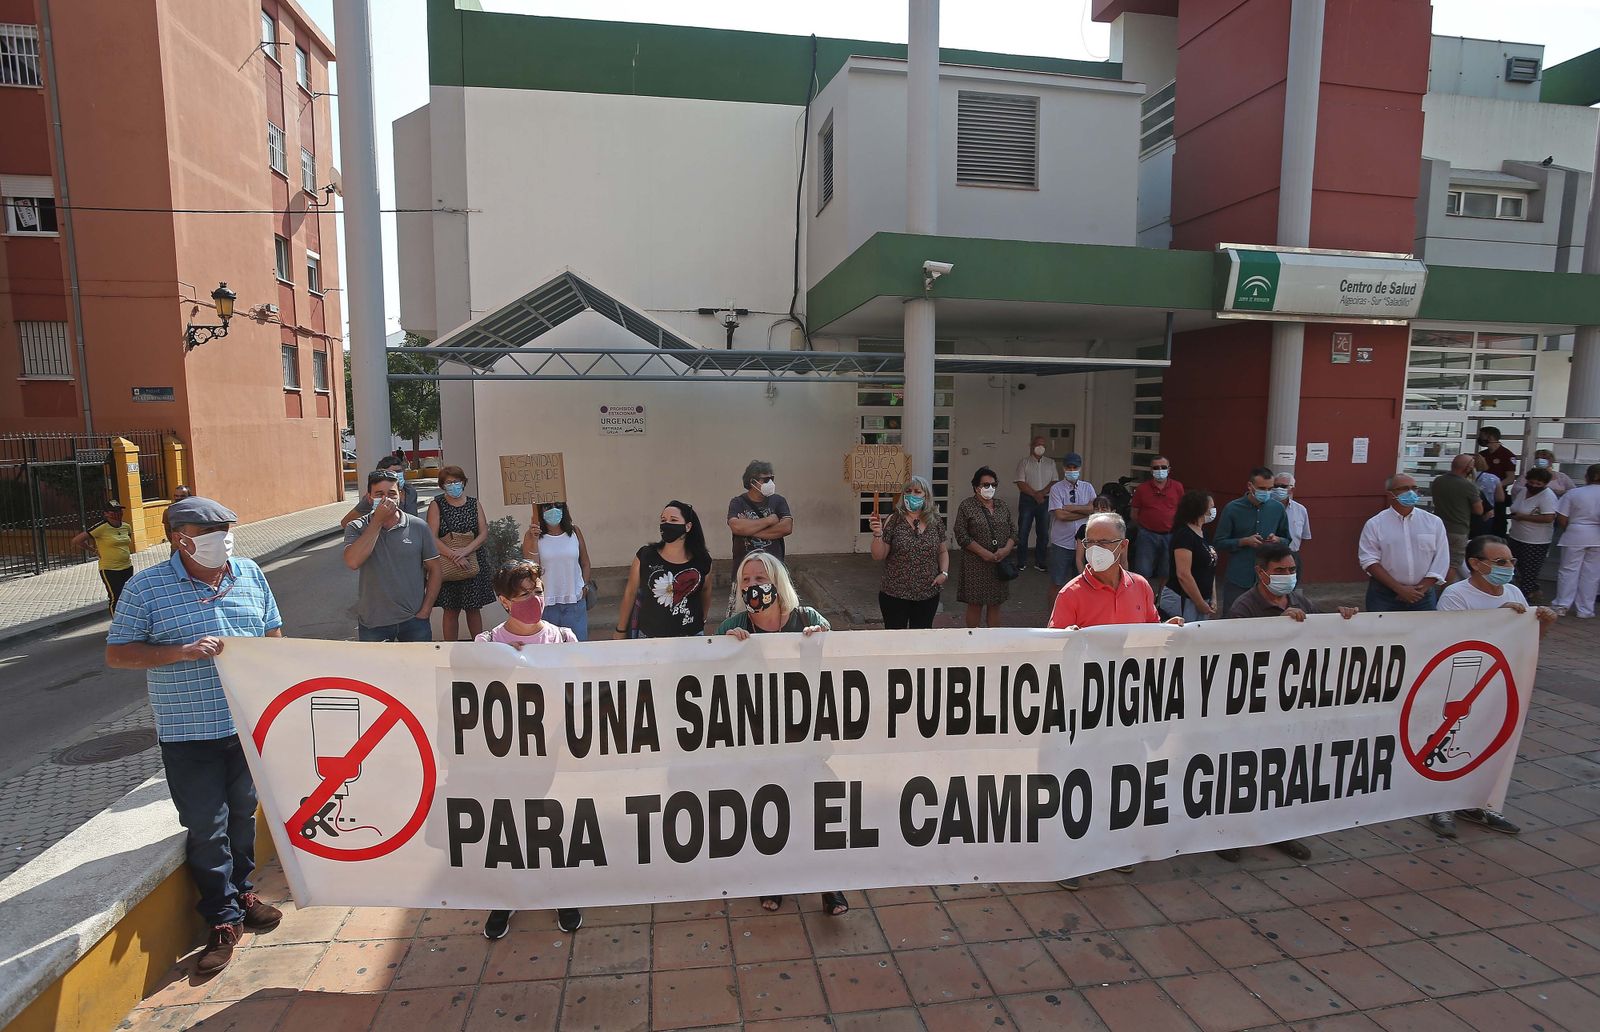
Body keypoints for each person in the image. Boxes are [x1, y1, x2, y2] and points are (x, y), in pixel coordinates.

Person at [105, 496, 285, 975]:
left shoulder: (248, 572)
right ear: (180, 539)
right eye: (211, 533)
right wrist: (180, 652)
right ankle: (222, 918)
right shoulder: (146, 588)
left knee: (243, 814)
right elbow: (118, 654)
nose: (222, 540)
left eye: (227, 530)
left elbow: (273, 636)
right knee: (206, 825)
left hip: (243, 724)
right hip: (190, 730)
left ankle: (243, 893)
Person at [1047, 511, 1180, 888]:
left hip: (1128, 704)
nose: (1095, 549)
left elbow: (1149, 630)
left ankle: (1115, 847)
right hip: (1085, 706)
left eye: (1104, 542)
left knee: (1123, 775)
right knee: (1081, 780)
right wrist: (1066, 641)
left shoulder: (1140, 586)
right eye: (1089, 542)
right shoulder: (1070, 594)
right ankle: (1072, 859)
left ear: (1123, 546)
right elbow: (1053, 651)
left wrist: (1166, 631)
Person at [716, 552, 845, 915]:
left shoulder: (807, 619)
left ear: (778, 581)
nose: (753, 586)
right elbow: (712, 671)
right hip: (761, 741)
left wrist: (822, 641)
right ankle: (774, 878)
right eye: (746, 581)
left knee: (816, 811)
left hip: (806, 738)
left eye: (760, 578)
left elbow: (843, 663)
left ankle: (829, 886)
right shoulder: (735, 625)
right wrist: (727, 647)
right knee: (771, 812)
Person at [1221, 542, 1356, 863]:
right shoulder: (1244, 606)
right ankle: (1229, 832)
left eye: (1292, 570)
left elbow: (1325, 634)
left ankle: (1279, 832)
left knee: (1280, 769)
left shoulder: (1300, 600)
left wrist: (1344, 618)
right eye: (1280, 571)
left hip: (1291, 703)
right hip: (1252, 704)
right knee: (1243, 769)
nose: (1287, 576)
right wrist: (1278, 626)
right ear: (1261, 572)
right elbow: (1237, 652)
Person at [476, 559, 584, 939]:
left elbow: (579, 694)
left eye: (537, 591)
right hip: (506, 758)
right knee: (509, 827)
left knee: (554, 824)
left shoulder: (563, 639)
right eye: (524, 594)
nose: (534, 599)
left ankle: (561, 892)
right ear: (504, 601)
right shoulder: (487, 645)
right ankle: (505, 898)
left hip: (554, 753)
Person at [1429, 535, 1558, 838]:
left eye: (1511, 561)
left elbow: (1528, 640)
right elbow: (1450, 642)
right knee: (1448, 742)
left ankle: (1478, 803)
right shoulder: (1456, 595)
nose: (1509, 567)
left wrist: (1543, 622)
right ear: (1475, 564)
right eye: (1500, 562)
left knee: (1488, 740)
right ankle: (1439, 804)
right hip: (1463, 681)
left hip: (1501, 681)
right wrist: (1499, 621)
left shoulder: (1513, 591)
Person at [343, 470, 443, 641]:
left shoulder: (418, 527)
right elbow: (353, 561)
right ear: (369, 498)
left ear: (400, 496)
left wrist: (426, 609)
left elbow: (435, 570)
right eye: (379, 494)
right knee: (376, 668)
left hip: (414, 621)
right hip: (373, 623)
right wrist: (377, 521)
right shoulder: (356, 527)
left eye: (391, 494)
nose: (386, 499)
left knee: (417, 667)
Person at [616, 501, 714, 638]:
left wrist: (701, 620)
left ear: (688, 526)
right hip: (650, 637)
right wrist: (620, 630)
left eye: (673, 520)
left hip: (691, 637)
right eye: (663, 520)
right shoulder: (646, 556)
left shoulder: (702, 560)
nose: (667, 524)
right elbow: (630, 592)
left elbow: (706, 591)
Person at [1357, 474, 1448, 612]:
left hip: (1423, 595)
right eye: (1404, 488)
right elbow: (1368, 560)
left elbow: (1442, 557)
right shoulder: (1375, 524)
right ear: (1390, 494)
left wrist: (1422, 589)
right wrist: (1399, 589)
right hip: (1385, 596)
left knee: (1424, 632)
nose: (1411, 492)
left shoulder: (1433, 522)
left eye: (1414, 488)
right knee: (1381, 632)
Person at [869, 475, 949, 629]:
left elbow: (942, 551)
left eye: (917, 492)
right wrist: (878, 533)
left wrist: (944, 573)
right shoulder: (893, 519)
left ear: (926, 496)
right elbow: (878, 555)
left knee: (921, 640)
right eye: (908, 491)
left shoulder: (935, 520)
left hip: (927, 594)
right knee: (895, 641)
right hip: (895, 594)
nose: (912, 495)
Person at [428, 465, 494, 641]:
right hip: (448, 563)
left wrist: (466, 550)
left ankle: (478, 645)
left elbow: (483, 532)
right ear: (442, 485)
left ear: (464, 482)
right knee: (451, 610)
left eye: (457, 481)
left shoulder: (474, 503)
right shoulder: (437, 504)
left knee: (474, 609)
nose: (453, 485)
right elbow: (431, 536)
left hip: (473, 560)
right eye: (448, 482)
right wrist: (453, 555)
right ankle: (450, 647)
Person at [1214, 467, 1290, 613]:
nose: (1267, 492)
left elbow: (1287, 539)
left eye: (1270, 488)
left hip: (1269, 578)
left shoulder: (1278, 508)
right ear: (1250, 486)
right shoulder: (1232, 508)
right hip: (1239, 577)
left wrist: (1277, 540)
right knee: (1233, 618)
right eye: (1262, 488)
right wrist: (1243, 541)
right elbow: (1219, 541)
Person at [726, 460, 793, 614]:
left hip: (773, 572)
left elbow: (787, 527)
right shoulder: (738, 503)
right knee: (741, 616)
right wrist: (770, 521)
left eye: (772, 479)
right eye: (765, 480)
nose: (770, 483)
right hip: (745, 574)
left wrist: (749, 528)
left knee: (776, 614)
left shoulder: (778, 501)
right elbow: (736, 526)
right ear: (753, 482)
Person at [953, 467, 1017, 628]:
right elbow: (961, 534)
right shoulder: (967, 506)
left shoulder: (1002, 506)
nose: (990, 488)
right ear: (976, 487)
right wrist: (983, 553)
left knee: (995, 603)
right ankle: (973, 639)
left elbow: (1013, 531)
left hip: (999, 562)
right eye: (986, 485)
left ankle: (992, 640)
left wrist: (1007, 549)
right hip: (976, 563)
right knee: (975, 603)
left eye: (993, 485)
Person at [522, 501, 593, 640]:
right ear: (540, 510)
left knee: (578, 649)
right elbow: (531, 569)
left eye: (558, 506)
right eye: (548, 506)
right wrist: (534, 541)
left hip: (574, 601)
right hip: (547, 604)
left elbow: (585, 563)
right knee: (550, 651)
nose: (554, 510)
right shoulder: (531, 536)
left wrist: (585, 586)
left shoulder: (574, 532)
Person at [1129, 456, 1183, 596]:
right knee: (1143, 570)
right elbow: (1134, 513)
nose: (1160, 470)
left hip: (1170, 535)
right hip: (1147, 535)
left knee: (1166, 571)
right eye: (1156, 468)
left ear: (1169, 469)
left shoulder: (1177, 487)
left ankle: (1161, 601)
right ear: (1150, 470)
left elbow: (1183, 510)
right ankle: (1141, 598)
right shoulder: (1142, 489)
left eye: (1163, 467)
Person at [1553, 464, 1600, 619]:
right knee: (1591, 574)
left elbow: (1562, 517)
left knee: (1568, 571)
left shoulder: (1574, 493)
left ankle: (1562, 605)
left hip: (1575, 533)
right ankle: (1585, 609)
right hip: (1597, 536)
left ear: (1587, 476)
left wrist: (1571, 527)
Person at [1163, 490, 1218, 622]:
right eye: (1211, 507)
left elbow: (1210, 568)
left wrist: (1213, 597)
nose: (1213, 510)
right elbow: (1183, 574)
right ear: (1201, 508)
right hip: (1183, 599)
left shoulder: (1204, 534)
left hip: (1203, 600)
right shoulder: (1184, 535)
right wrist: (1199, 602)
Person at [72, 500, 134, 613]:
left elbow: (127, 540)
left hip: (127, 566)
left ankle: (127, 620)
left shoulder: (126, 526)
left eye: (119, 510)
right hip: (110, 569)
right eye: (113, 511)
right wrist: (93, 550)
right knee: (116, 596)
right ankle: (116, 624)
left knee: (128, 595)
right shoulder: (101, 528)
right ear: (106, 513)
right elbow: (77, 540)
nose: (118, 513)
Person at [1430, 454, 1485, 580]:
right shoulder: (1468, 486)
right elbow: (1479, 510)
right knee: (1452, 564)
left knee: (1437, 560)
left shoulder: (1439, 480)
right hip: (1458, 529)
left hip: (1439, 527)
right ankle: (1445, 592)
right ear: (1468, 468)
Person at [1506, 467, 1558, 599]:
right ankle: (1527, 592)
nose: (1534, 486)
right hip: (1516, 536)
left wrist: (1523, 517)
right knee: (1516, 568)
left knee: (1529, 571)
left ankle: (1525, 596)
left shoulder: (1547, 496)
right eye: (1532, 482)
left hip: (1535, 540)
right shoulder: (1524, 491)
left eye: (1538, 484)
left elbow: (1549, 517)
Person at [1046, 452, 1097, 588]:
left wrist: (1071, 508)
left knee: (1082, 583)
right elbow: (1060, 515)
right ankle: (1054, 610)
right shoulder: (1056, 489)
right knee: (1057, 582)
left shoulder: (1088, 487)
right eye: (1069, 467)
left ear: (1080, 468)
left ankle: (1079, 610)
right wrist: (1084, 512)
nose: (1072, 470)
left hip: (1084, 543)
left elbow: (1094, 509)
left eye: (1075, 467)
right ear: (1064, 468)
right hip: (1061, 543)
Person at [1013, 436, 1059, 573]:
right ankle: (1021, 561)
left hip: (1045, 501)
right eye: (1038, 444)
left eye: (1043, 444)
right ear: (1032, 445)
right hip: (1027, 500)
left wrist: (1042, 493)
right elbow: (1021, 483)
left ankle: (1041, 561)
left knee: (1043, 532)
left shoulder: (1050, 463)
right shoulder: (1024, 462)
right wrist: (1035, 494)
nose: (1041, 447)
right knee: (1023, 531)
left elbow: (1054, 481)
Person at [339, 455, 420, 527]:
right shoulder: (372, 499)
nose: (396, 475)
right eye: (391, 473)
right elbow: (345, 522)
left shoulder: (411, 492)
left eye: (399, 472)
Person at [1274, 473, 1312, 570]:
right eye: (1276, 486)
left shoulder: (1301, 510)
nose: (1279, 489)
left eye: (1283, 486)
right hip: (1270, 557)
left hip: (1292, 556)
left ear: (1292, 489)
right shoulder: (1264, 508)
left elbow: (1304, 537)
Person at [1074, 496, 1115, 574]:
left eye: (1104, 509)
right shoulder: (1084, 529)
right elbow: (1079, 559)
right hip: (1089, 573)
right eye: (1096, 509)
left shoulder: (1117, 531)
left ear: (1112, 511)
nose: (1099, 511)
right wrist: (1083, 577)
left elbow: (1122, 559)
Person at [1470, 454, 1504, 537]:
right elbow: (1500, 498)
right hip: (1487, 515)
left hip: (1468, 514)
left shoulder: (1464, 478)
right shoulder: (1493, 478)